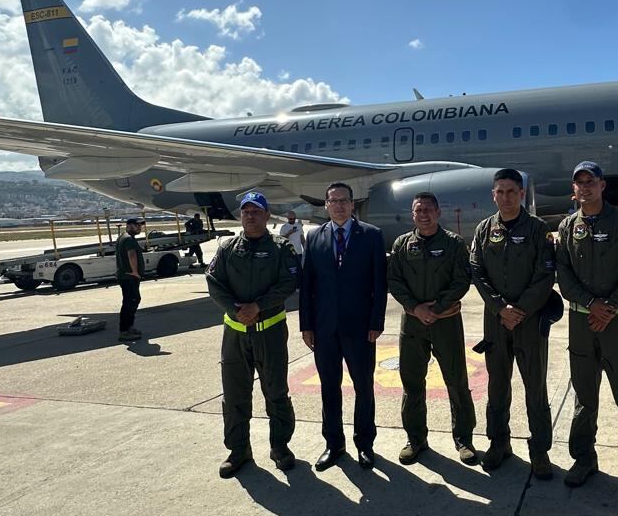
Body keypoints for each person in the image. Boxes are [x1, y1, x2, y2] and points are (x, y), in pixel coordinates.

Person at [555, 161, 618, 502]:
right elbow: (564, 274)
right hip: (582, 323)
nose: (584, 188)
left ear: (602, 186)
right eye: (579, 183)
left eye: (590, 181)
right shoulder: (568, 226)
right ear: (574, 189)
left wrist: (609, 307)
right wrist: (590, 303)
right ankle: (584, 460)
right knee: (585, 398)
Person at [206, 191, 300, 479]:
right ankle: (238, 451)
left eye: (256, 211)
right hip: (234, 335)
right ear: (241, 215)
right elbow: (214, 282)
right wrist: (237, 311)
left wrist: (259, 306)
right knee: (234, 395)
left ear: (267, 215)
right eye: (246, 211)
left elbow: (290, 281)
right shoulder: (227, 248)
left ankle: (280, 447)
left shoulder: (282, 248)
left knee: (276, 392)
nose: (250, 215)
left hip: (269, 332)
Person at [469, 169, 556, 477]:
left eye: (511, 191)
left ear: (521, 194)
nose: (505, 197)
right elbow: (476, 271)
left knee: (535, 387)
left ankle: (540, 450)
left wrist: (519, 309)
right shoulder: (484, 229)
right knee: (497, 386)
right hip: (496, 323)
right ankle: (499, 443)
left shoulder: (537, 229)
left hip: (529, 322)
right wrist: (499, 308)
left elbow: (545, 274)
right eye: (500, 192)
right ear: (493, 195)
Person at [387, 192, 480, 466]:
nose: (423, 214)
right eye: (418, 210)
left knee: (457, 382)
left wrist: (438, 308)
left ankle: (464, 439)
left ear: (439, 212)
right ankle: (415, 439)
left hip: (446, 322)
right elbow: (395, 281)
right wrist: (417, 309)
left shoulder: (453, 243)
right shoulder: (403, 244)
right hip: (413, 323)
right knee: (412, 382)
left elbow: (462, 279)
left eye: (428, 209)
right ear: (412, 214)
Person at [299, 182, 386, 470]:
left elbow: (379, 284)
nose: (339, 205)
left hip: (361, 328)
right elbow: (307, 285)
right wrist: (306, 325)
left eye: (344, 201)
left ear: (352, 205)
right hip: (324, 330)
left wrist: (376, 322)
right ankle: (333, 444)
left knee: (364, 387)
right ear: (325, 205)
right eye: (333, 201)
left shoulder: (371, 236)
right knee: (329, 388)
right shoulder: (314, 237)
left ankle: (365, 444)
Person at [115, 217, 146, 343]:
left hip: (126, 276)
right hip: (129, 277)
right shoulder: (128, 239)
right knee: (129, 302)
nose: (139, 228)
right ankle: (124, 331)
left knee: (133, 300)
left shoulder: (124, 237)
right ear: (129, 226)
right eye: (137, 225)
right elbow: (131, 255)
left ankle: (129, 327)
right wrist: (135, 271)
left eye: (140, 226)